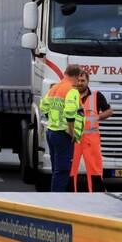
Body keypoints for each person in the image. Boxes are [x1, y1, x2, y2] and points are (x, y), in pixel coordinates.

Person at [40, 64, 82, 192]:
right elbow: (70, 112)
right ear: (76, 76)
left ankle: (54, 196)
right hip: (63, 134)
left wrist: (51, 119)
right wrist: (71, 130)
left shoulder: (54, 88)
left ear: (65, 74)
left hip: (51, 132)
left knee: (56, 170)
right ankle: (58, 198)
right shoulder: (72, 90)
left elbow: (43, 106)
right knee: (63, 170)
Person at [70, 71, 113, 192]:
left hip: (91, 138)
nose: (80, 83)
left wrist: (98, 117)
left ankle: (97, 195)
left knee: (95, 169)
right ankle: (69, 195)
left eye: (83, 81)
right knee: (70, 169)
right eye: (78, 80)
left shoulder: (96, 95)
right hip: (74, 137)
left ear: (88, 82)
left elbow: (109, 111)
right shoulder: (70, 96)